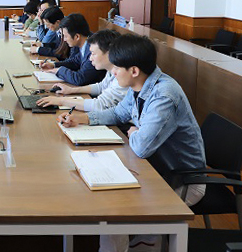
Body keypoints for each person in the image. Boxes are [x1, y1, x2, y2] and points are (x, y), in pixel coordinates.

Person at [58, 34, 206, 199]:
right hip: (154, 165)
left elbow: (142, 147)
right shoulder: (138, 84)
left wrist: (134, 133)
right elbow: (117, 113)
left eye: (117, 68)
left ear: (134, 71)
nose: (113, 72)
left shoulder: (164, 96)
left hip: (182, 181)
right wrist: (82, 119)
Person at [37, 29, 127, 111]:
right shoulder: (112, 69)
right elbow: (101, 86)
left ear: (109, 53)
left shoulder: (123, 75)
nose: (90, 58)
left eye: (93, 54)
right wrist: (72, 90)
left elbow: (99, 105)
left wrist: (61, 101)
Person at [40, 13, 105, 86]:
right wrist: (53, 65)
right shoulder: (84, 43)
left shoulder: (94, 49)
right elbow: (75, 61)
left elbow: (80, 79)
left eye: (65, 36)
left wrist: (59, 70)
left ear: (77, 36)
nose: (64, 40)